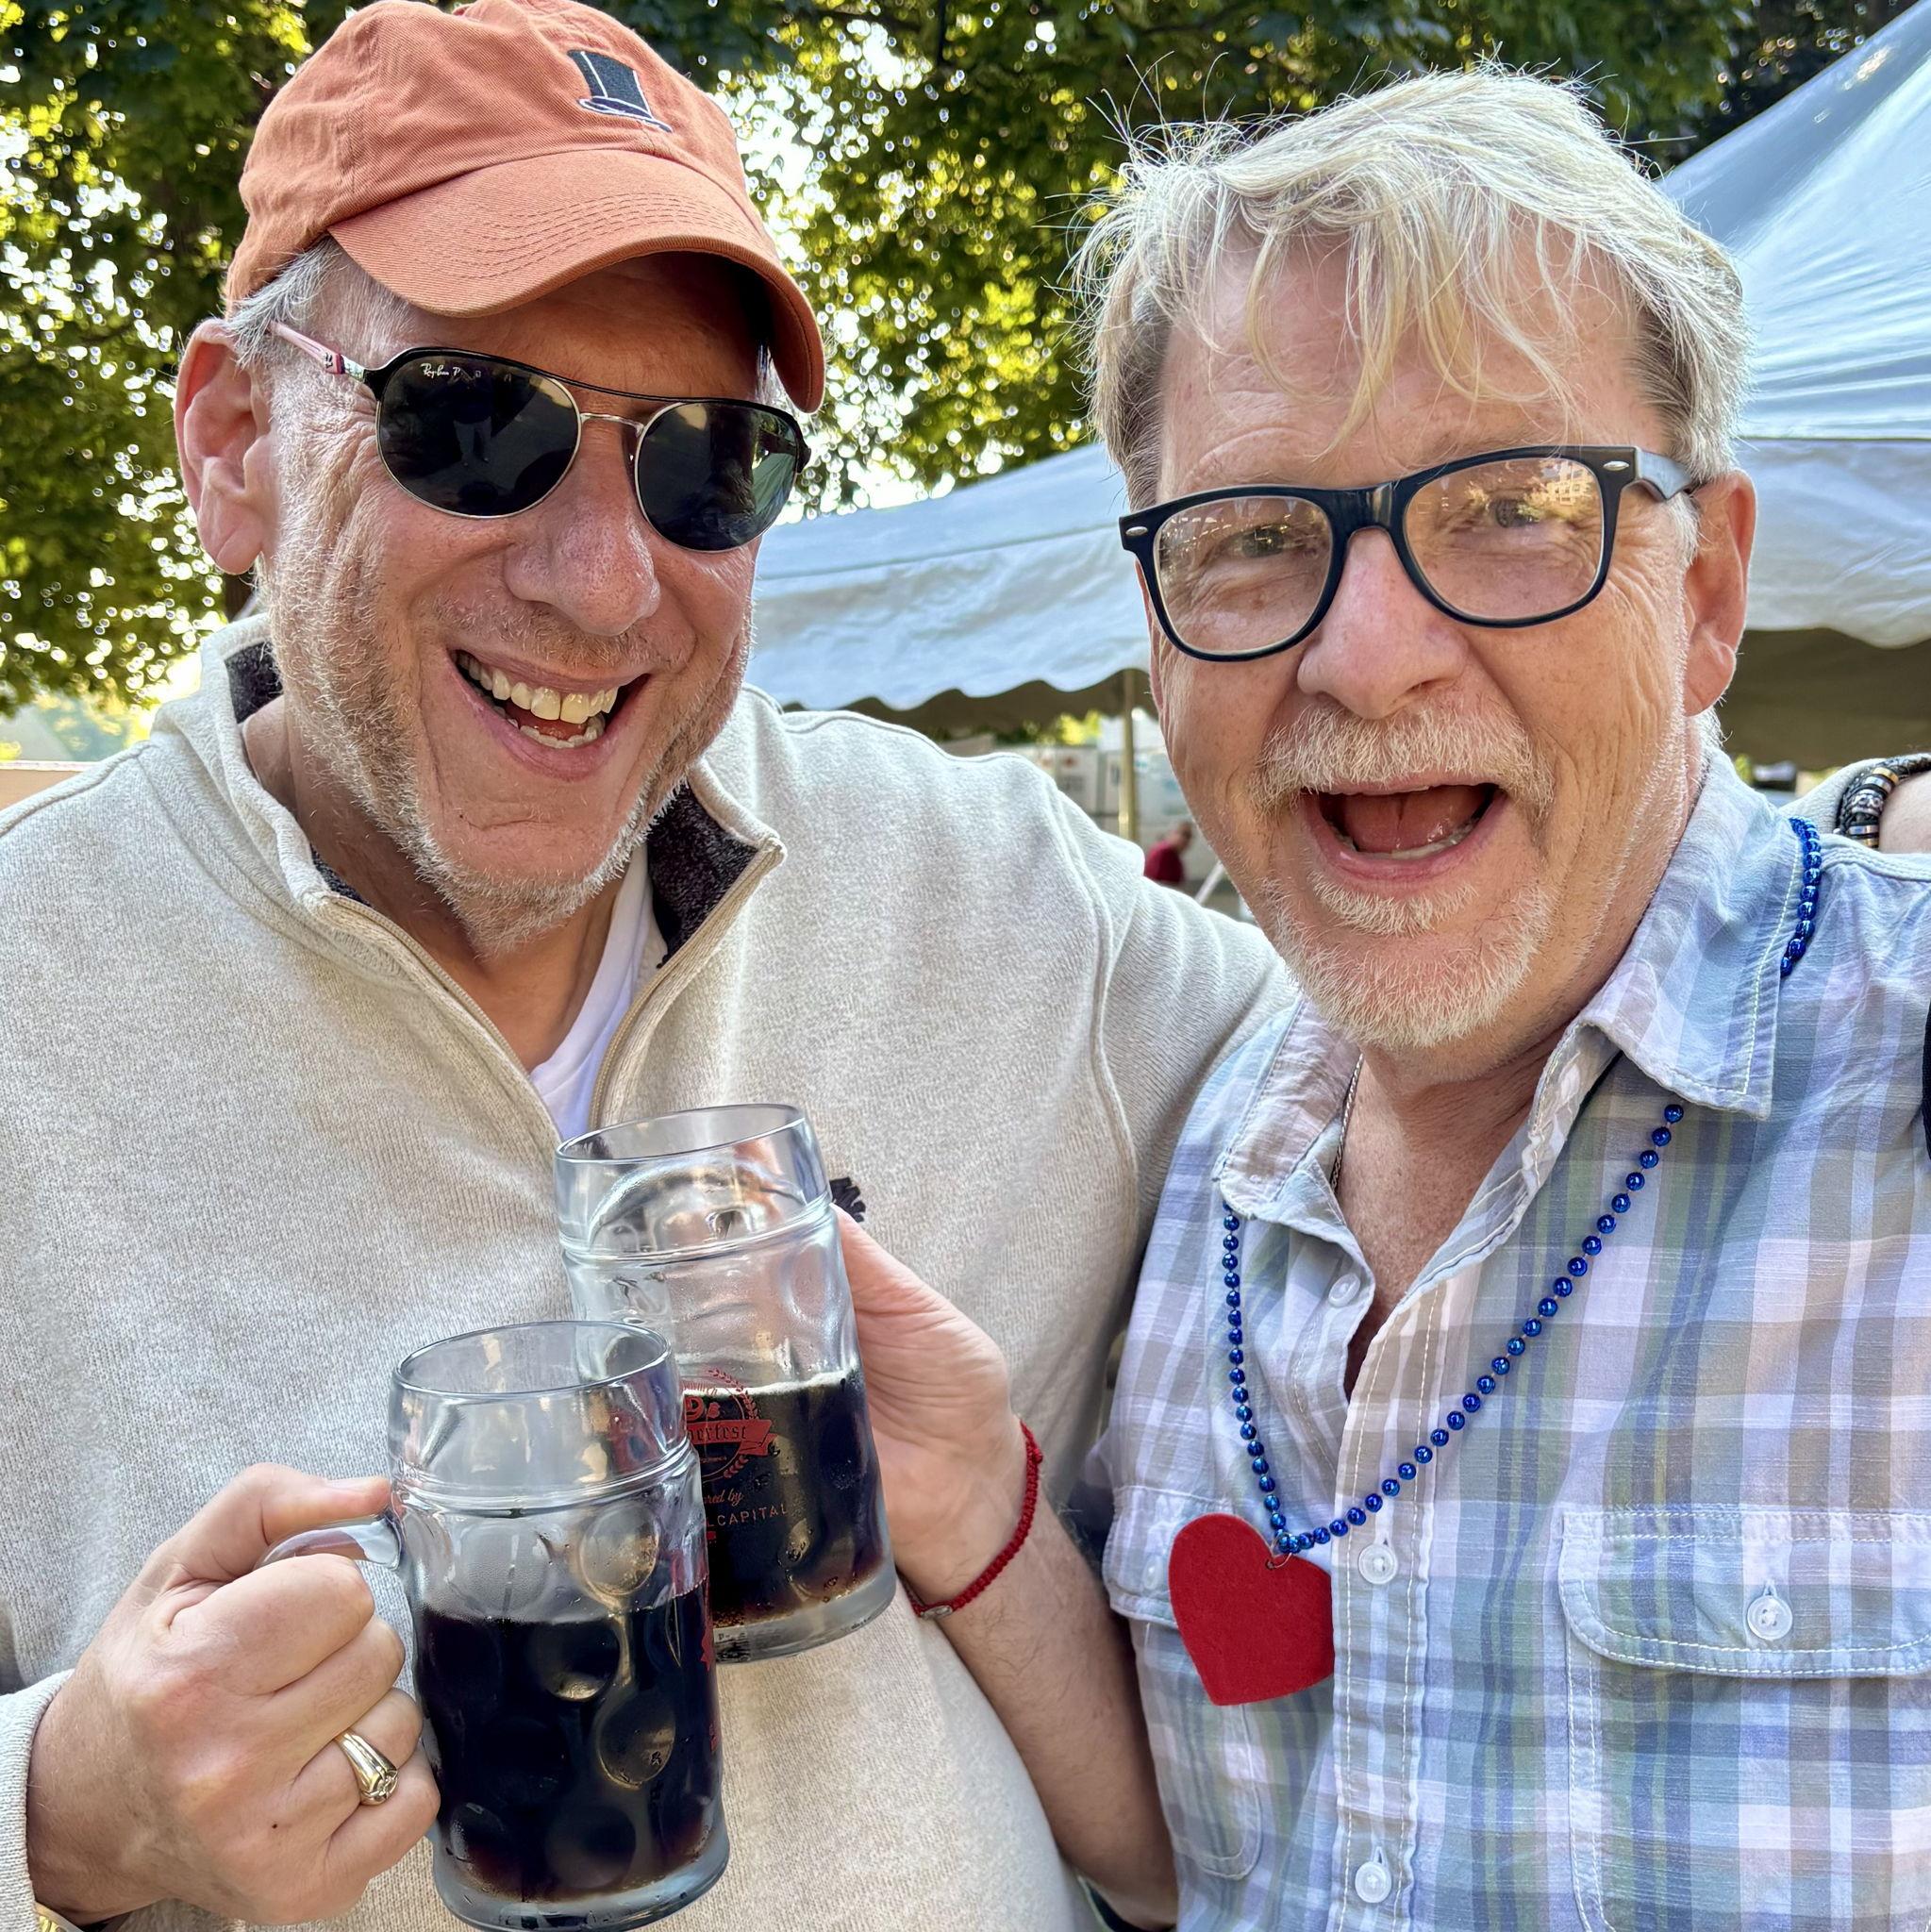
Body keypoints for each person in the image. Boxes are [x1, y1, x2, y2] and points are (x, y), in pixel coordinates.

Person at [0, 3, 1282, 1926]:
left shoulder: (1011, 905)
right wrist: (56, 1812)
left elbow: (1463, 1105)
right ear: (231, 444)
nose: (604, 577)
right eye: (473, 420)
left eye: (708, 467)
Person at [1072, 70, 1931, 1925]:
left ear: (1706, 591)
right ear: (1153, 633)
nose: (1364, 654)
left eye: (1511, 510)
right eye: (1250, 538)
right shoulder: (1175, 1152)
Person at [1143, 820, 1193, 886]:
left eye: (1189, 837)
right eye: (1184, 834)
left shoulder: (1171, 852)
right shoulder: (1165, 853)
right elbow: (1164, 884)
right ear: (1171, 833)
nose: (1186, 840)